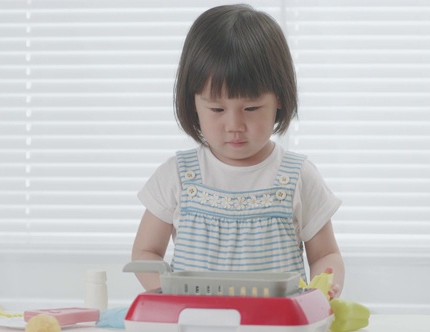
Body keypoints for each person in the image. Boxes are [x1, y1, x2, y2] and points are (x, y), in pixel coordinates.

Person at [131, 4, 345, 298]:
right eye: (217, 108)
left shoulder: (298, 176)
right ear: (193, 102)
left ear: (280, 98)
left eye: (251, 108)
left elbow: (325, 255)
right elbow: (146, 251)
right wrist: (167, 291)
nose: (234, 125)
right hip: (195, 327)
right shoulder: (177, 175)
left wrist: (324, 287)